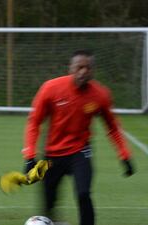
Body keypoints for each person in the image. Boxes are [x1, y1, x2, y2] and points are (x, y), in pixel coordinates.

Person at [21, 50, 134, 225]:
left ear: (93, 70)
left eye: (88, 68)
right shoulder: (51, 88)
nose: (83, 71)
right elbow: (34, 122)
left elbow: (113, 128)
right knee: (48, 202)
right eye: (79, 67)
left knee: (83, 194)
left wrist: (125, 155)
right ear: (71, 68)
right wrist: (30, 156)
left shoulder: (100, 94)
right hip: (52, 154)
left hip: (80, 152)